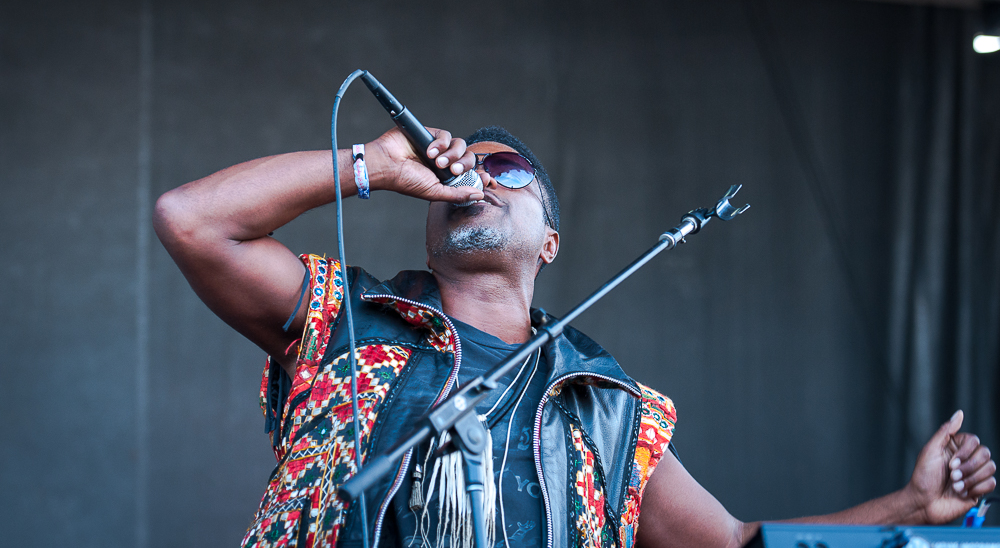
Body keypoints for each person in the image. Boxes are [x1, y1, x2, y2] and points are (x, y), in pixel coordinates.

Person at [153, 124, 996, 548]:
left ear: (549, 242)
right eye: (460, 171)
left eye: (506, 171)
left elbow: (736, 547)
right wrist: (370, 165)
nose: (476, 179)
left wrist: (915, 510)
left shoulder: (608, 403)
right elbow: (192, 221)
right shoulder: (345, 315)